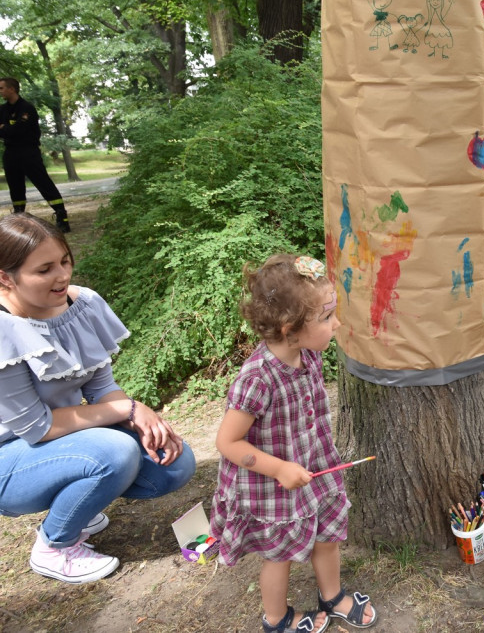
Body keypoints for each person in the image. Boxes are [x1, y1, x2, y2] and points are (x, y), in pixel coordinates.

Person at [0, 212, 195, 584]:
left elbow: (101, 385)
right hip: (11, 460)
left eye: (65, 261)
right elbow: (36, 428)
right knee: (113, 452)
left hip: (65, 442)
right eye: (44, 270)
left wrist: (141, 422)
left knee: (175, 463)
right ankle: (54, 546)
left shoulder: (82, 304)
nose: (62, 276)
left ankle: (76, 504)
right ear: (5, 277)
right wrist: (127, 409)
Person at [211, 254, 377, 633]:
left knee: (328, 533)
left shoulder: (309, 354)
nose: (337, 323)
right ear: (289, 328)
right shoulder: (257, 378)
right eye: (326, 317)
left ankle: (332, 597)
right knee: (278, 555)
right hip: (273, 483)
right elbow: (227, 441)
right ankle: (277, 619)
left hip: (314, 464)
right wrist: (279, 468)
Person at [0, 78, 70, 233]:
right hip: (11, 152)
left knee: (43, 183)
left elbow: (20, 130)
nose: (0, 91)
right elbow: (12, 131)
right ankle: (18, 219)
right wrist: (9, 130)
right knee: (15, 187)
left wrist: (5, 128)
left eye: (2, 88)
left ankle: (61, 216)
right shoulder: (2, 110)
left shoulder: (27, 108)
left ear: (12, 89)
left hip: (28, 151)